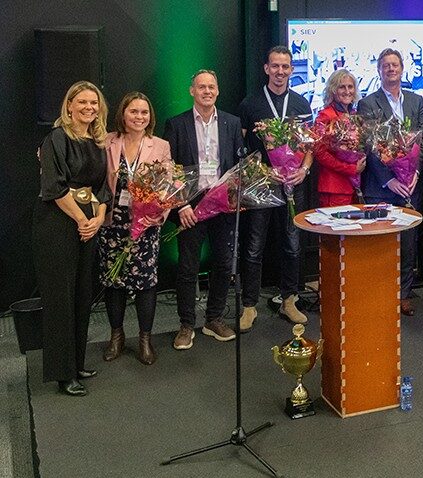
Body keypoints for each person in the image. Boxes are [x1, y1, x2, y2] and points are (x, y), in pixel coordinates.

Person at [34, 81, 111, 396]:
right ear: (69, 106)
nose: (89, 108)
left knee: (82, 296)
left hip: (87, 225)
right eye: (82, 103)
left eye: (94, 103)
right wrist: (82, 220)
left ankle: (76, 362)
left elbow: (103, 188)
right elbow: (54, 187)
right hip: (57, 226)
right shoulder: (56, 139)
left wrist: (99, 218)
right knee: (61, 300)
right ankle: (63, 373)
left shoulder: (96, 141)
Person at [164, 69, 244, 350]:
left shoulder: (232, 123)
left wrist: (236, 197)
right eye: (201, 87)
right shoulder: (176, 125)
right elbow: (168, 169)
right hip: (191, 206)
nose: (207, 91)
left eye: (211, 86)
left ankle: (213, 319)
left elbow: (237, 167)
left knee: (224, 263)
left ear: (218, 91)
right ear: (192, 91)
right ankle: (186, 325)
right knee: (187, 267)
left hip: (222, 204)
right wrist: (181, 204)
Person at [238, 45, 314, 332]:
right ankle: (249, 306)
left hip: (293, 184)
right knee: (254, 246)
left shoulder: (301, 104)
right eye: (275, 66)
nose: (280, 71)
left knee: (293, 245)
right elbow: (242, 147)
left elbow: (309, 145)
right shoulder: (251, 103)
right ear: (266, 68)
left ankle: (289, 300)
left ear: (291, 70)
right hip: (262, 183)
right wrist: (263, 169)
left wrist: (303, 170)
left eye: (285, 66)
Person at [97, 92, 173, 365]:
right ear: (123, 114)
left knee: (146, 284)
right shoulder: (107, 141)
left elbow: (168, 186)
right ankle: (116, 336)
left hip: (146, 226)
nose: (139, 117)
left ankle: (145, 339)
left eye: (144, 112)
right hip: (112, 224)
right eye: (134, 111)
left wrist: (160, 214)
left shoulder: (160, 145)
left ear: (150, 117)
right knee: (113, 282)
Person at [357, 47, 423, 317]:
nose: (391, 69)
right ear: (379, 70)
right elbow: (370, 146)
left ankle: (403, 295)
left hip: (410, 186)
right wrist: (389, 180)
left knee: (408, 243)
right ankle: (379, 294)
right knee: (381, 243)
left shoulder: (416, 101)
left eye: (395, 64)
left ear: (402, 68)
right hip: (381, 188)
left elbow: (421, 142)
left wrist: (414, 175)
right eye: (385, 65)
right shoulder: (368, 103)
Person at [314, 68, 365, 207]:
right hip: (335, 187)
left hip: (355, 186)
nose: (347, 91)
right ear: (333, 90)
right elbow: (320, 154)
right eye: (342, 87)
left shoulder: (355, 115)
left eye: (350, 87)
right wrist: (350, 168)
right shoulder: (325, 116)